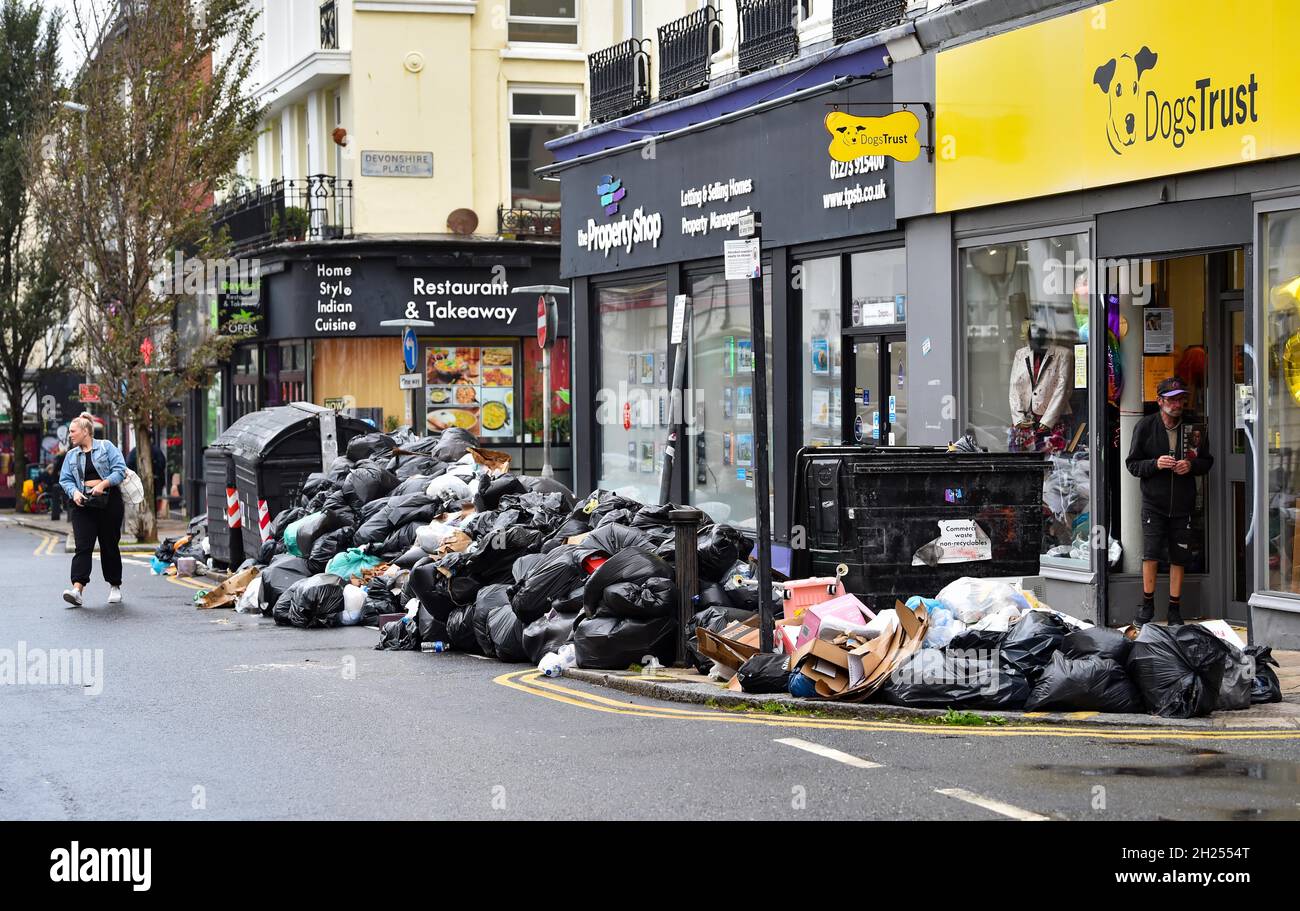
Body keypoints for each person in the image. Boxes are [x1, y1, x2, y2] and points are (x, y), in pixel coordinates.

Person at [1125, 377, 1213, 626]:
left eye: (1180, 399)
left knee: (1180, 556)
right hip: (1154, 502)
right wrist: (1155, 464)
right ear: (1160, 400)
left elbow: (1207, 461)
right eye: (1172, 399)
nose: (1177, 404)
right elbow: (1132, 464)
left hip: (1183, 502)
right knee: (1151, 554)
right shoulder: (1145, 426)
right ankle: (1147, 605)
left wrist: (1191, 465)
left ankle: (1175, 608)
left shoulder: (1194, 428)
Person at [58, 414, 127, 608]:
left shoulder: (106, 447)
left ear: (85, 431)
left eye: (73, 431)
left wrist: (104, 484)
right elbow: (65, 479)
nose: (70, 435)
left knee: (109, 545)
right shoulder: (71, 455)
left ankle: (115, 586)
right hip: (84, 504)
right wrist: (74, 493)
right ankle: (77, 590)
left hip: (108, 501)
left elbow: (120, 470)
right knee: (83, 546)